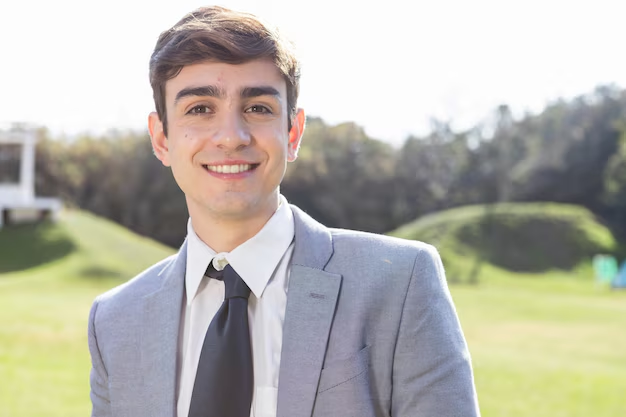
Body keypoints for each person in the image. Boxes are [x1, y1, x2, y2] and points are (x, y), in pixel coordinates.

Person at [87, 5, 480, 417]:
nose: (231, 137)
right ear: (162, 138)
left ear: (292, 133)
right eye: (199, 109)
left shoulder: (400, 284)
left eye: (257, 107)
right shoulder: (115, 321)